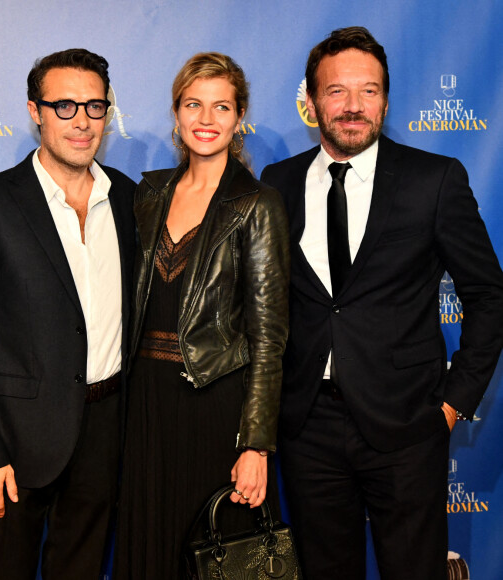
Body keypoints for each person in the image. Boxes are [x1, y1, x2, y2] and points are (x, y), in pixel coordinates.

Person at [261, 26, 503, 580]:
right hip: (307, 426)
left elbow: (488, 295)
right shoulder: (278, 182)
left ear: (386, 100)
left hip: (409, 423)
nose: (352, 106)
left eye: (368, 91)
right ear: (312, 100)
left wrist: (452, 401)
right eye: (337, 91)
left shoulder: (433, 179)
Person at [0, 48, 136, 580]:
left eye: (95, 107)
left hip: (103, 429)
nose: (82, 122)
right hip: (12, 442)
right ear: (36, 111)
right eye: (65, 106)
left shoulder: (128, 198)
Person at [114, 52, 290, 578]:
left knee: (217, 559)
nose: (206, 119)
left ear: (239, 118)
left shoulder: (257, 203)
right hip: (145, 404)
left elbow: (269, 336)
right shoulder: (147, 194)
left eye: (221, 106)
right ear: (176, 113)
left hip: (215, 406)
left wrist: (256, 443)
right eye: (194, 104)